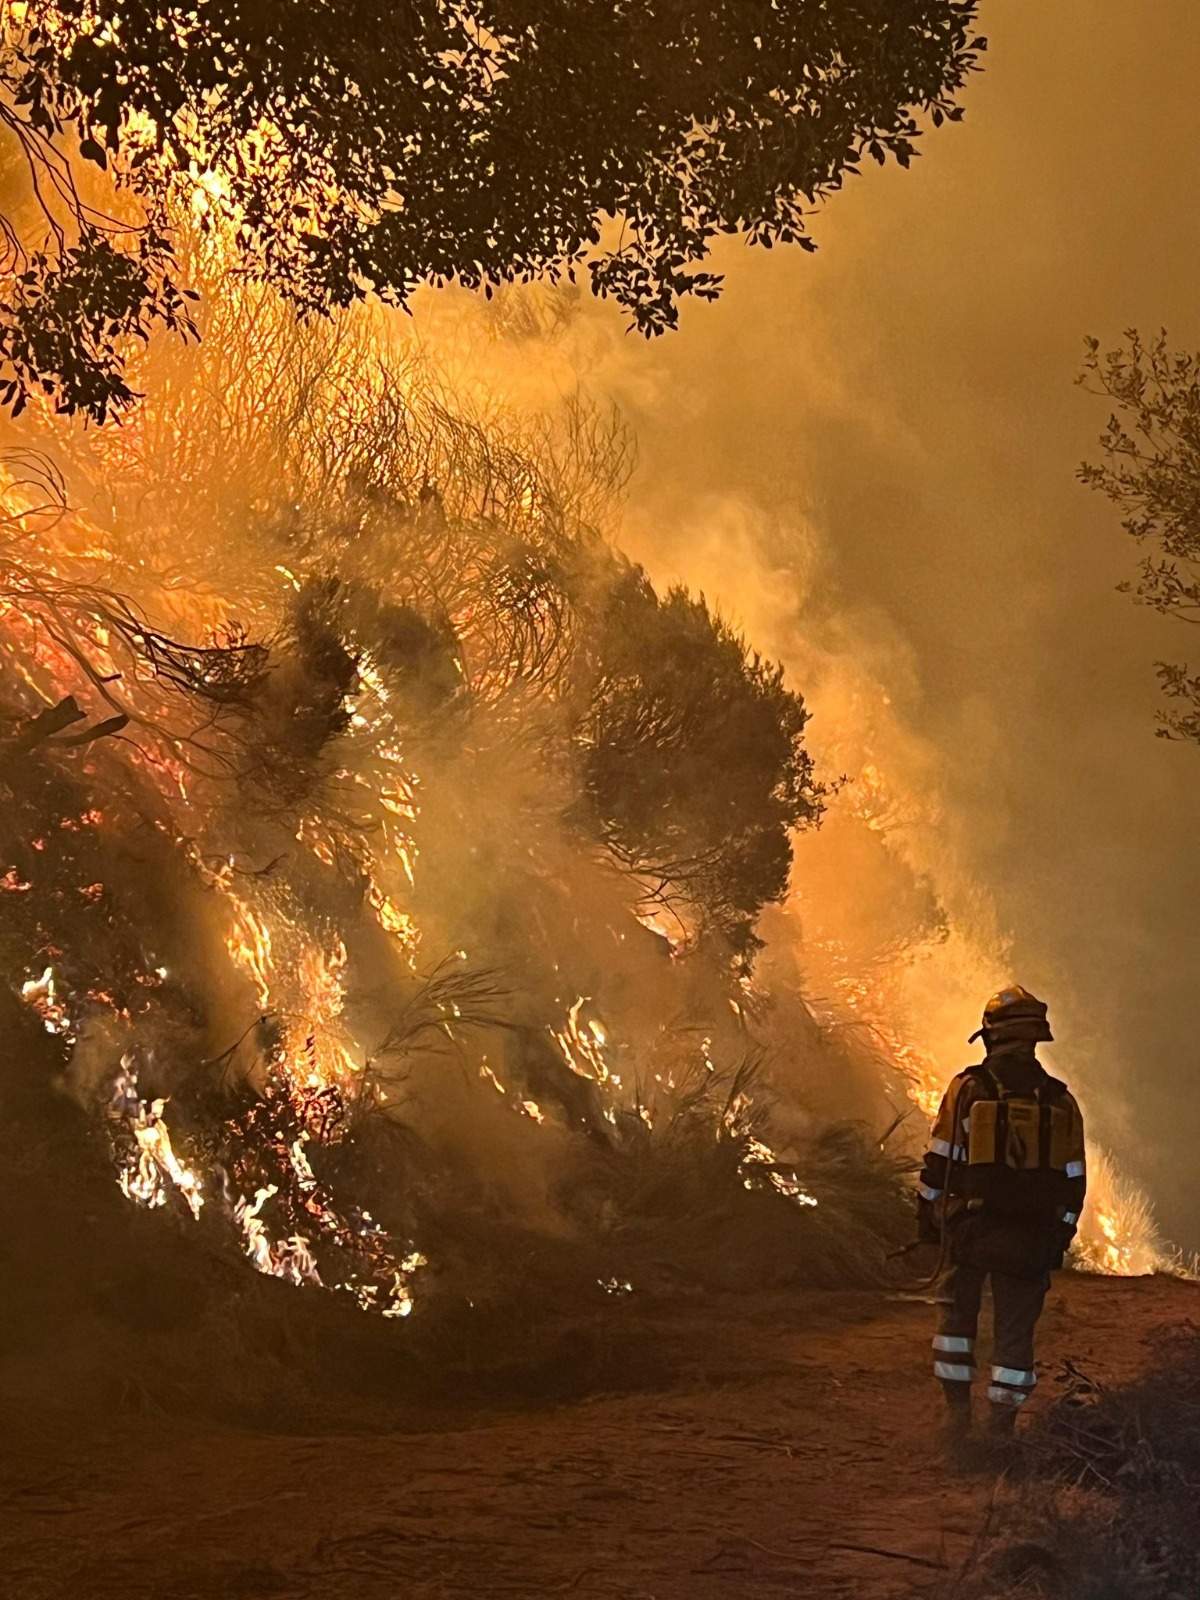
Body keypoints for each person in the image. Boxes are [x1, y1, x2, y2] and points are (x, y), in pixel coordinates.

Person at [917, 986, 1087, 1445]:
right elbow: (1074, 1178)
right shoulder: (1060, 1101)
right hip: (1031, 1237)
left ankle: (956, 1417)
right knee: (1015, 1337)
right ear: (1036, 1040)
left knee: (956, 1324)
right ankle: (1000, 1431)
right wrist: (1061, 1234)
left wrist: (929, 1217)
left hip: (971, 1230)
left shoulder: (968, 1089)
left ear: (990, 1037)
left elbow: (940, 1160)